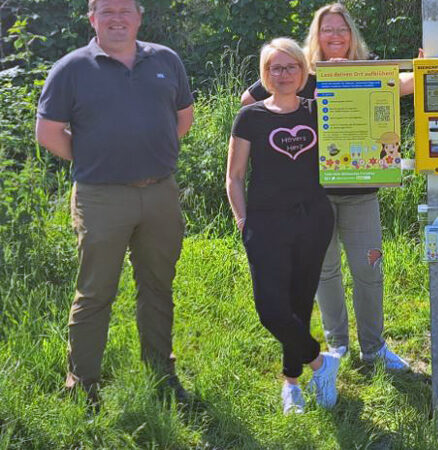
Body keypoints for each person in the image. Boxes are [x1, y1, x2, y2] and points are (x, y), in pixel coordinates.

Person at [35, 0, 194, 408]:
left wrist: (151, 155)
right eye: (107, 10)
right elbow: (49, 132)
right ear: (92, 19)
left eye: (125, 9)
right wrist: (95, 158)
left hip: (160, 192)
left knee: (158, 286)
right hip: (100, 196)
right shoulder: (71, 68)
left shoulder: (166, 60)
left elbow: (183, 117)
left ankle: (161, 373)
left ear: (140, 16)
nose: (117, 18)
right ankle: (82, 384)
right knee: (95, 291)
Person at [240, 2, 412, 371]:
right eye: (327, 30)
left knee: (369, 269)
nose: (335, 36)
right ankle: (337, 346)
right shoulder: (302, 72)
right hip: (312, 197)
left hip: (363, 190)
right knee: (325, 271)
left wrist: (429, 58)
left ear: (352, 35)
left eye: (342, 29)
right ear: (316, 36)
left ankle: (374, 347)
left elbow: (407, 85)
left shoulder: (368, 68)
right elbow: (250, 100)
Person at [227, 37, 340, 414]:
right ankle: (321, 363)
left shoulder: (318, 110)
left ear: (304, 71)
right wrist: (243, 220)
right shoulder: (251, 116)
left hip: (313, 219)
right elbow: (234, 176)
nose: (284, 74)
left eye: (291, 66)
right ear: (265, 75)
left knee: (300, 302)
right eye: (275, 68)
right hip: (264, 223)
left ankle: (292, 384)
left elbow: (370, 97)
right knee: (271, 310)